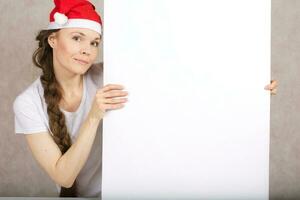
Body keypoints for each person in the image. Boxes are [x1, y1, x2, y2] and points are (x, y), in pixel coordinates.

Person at [13, 0, 128, 197]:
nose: (87, 50)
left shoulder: (107, 76)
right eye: (77, 38)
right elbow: (64, 177)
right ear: (53, 40)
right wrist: (93, 116)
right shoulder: (28, 103)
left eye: (94, 43)